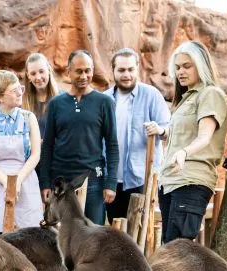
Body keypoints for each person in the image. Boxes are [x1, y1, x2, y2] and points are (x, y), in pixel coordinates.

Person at [157, 40, 227, 243]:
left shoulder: (210, 94)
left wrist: (184, 153)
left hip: (191, 180)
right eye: (178, 67)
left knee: (178, 250)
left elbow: (204, 137)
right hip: (170, 181)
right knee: (169, 249)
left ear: (201, 66)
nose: (180, 72)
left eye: (187, 66)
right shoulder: (184, 100)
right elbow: (179, 135)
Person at [39, 50, 118, 225]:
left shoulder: (104, 103)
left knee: (91, 236)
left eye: (88, 70)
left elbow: (112, 144)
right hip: (60, 181)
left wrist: (110, 182)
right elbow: (48, 146)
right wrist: (45, 183)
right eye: (79, 71)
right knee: (58, 235)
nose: (84, 76)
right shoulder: (56, 104)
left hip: (92, 181)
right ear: (68, 72)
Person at [105, 47, 171, 223]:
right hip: (112, 179)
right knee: (115, 230)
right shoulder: (104, 99)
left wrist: (160, 130)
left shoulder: (152, 95)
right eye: (121, 70)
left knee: (139, 229)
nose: (126, 74)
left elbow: (169, 129)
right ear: (113, 71)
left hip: (141, 178)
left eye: (130, 69)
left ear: (137, 69)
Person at [0, 70, 42, 235]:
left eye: (20, 88)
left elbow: (35, 154)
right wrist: (6, 182)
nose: (20, 93)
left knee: (27, 236)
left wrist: (17, 182)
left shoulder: (29, 118)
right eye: (14, 90)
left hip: (25, 178)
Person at [23, 53, 61, 136]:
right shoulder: (22, 102)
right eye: (33, 73)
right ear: (28, 76)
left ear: (48, 70)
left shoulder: (62, 98)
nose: (38, 77)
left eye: (41, 71)